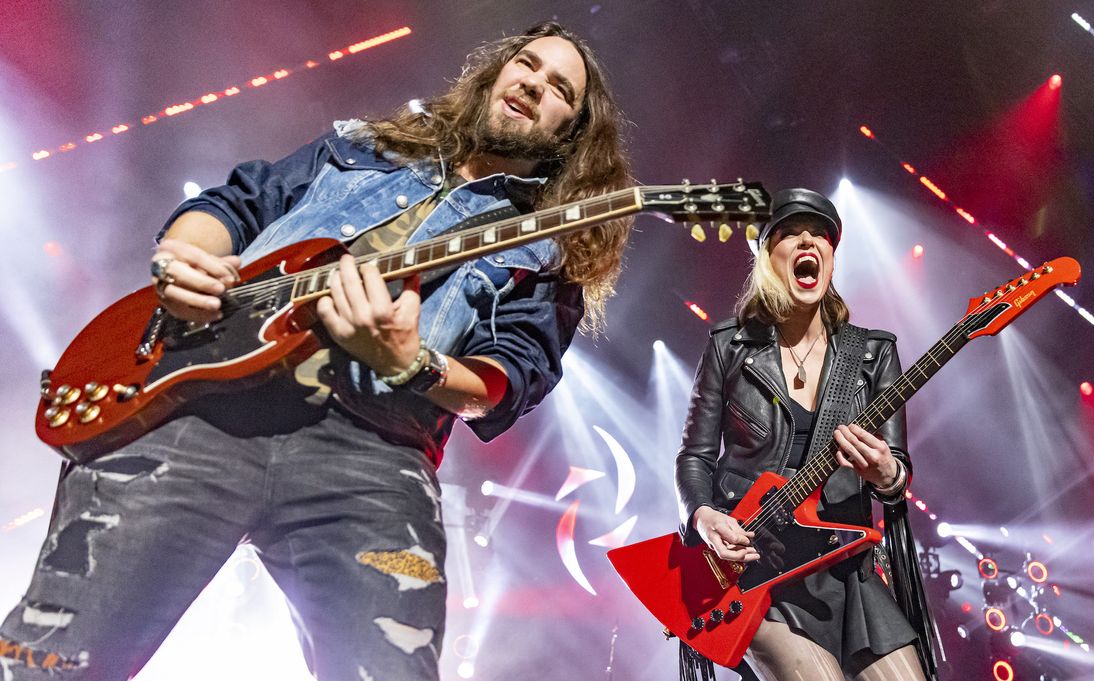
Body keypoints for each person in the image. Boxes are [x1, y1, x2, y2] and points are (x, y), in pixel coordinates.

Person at [1, 21, 632, 681]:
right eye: (527, 63)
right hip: (202, 407)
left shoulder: (552, 250)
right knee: (51, 661)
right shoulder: (368, 149)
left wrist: (409, 361)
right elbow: (236, 201)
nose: (534, 83)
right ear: (497, 72)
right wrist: (184, 256)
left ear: (570, 132)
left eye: (560, 87)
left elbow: (508, 378)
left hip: (371, 458)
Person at [674, 189, 938, 680]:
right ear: (767, 258)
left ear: (832, 260)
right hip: (756, 569)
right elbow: (694, 457)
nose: (807, 242)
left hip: (846, 568)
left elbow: (897, 468)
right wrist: (705, 516)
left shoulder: (872, 355)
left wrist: (886, 473)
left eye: (819, 235)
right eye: (790, 234)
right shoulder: (730, 348)